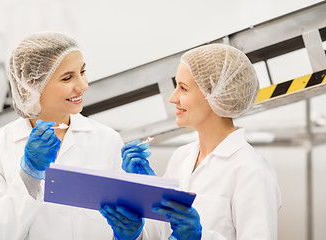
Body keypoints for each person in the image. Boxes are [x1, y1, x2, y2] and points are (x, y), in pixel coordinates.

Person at [100, 44, 281, 240]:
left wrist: (199, 237)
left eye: (183, 88)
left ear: (214, 94)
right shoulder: (181, 157)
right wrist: (134, 231)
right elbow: (162, 234)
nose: (172, 98)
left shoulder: (251, 171)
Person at [0, 32, 124, 240]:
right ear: (31, 85)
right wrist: (29, 175)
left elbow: (125, 226)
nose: (83, 85)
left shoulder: (107, 140)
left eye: (82, 71)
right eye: (67, 78)